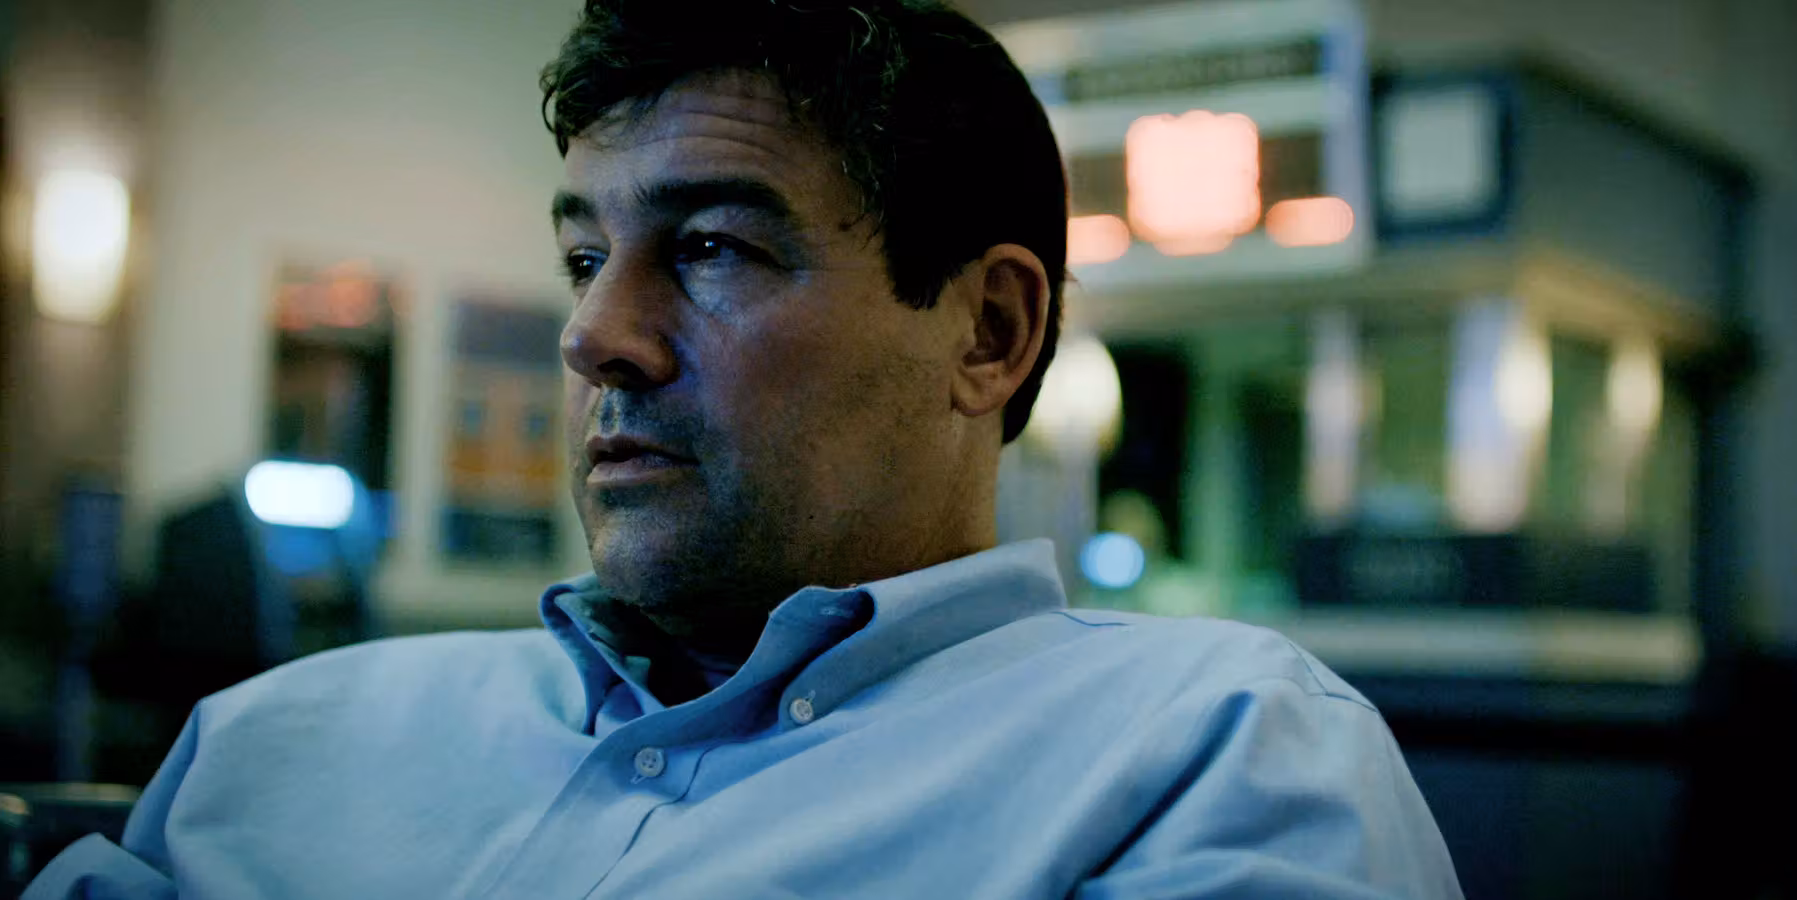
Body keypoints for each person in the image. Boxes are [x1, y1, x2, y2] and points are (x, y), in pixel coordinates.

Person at [28, 1, 1461, 897]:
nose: (596, 335)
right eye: (583, 256)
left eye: (713, 248)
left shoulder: (1205, 757)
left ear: (989, 333)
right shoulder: (276, 741)